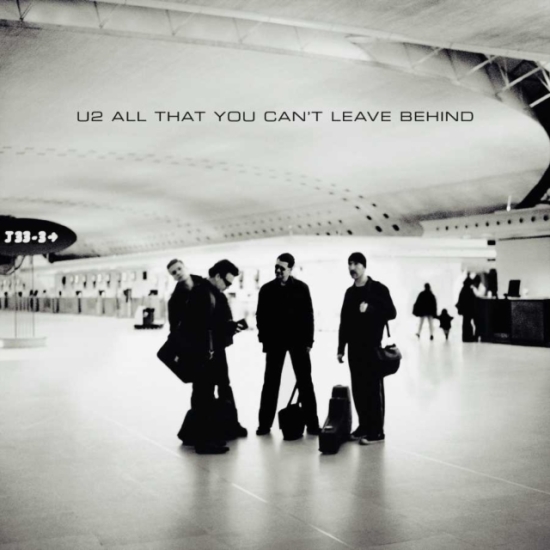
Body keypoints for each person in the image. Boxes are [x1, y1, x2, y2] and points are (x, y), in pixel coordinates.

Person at [179, 259, 246, 454]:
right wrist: (225, 328)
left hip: (215, 350)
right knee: (203, 392)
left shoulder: (215, 293)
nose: (228, 286)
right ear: (217, 276)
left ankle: (228, 426)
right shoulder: (201, 292)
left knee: (222, 386)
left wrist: (230, 327)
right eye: (227, 282)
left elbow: (215, 323)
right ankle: (203, 440)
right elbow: (199, 325)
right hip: (203, 352)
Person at [256, 253, 320, 436]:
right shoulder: (266, 289)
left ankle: (312, 424)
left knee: (305, 381)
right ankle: (264, 424)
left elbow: (309, 315)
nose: (278, 271)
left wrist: (309, 341)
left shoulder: (302, 288)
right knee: (271, 382)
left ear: (291, 269)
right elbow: (261, 316)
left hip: (298, 340)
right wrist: (264, 339)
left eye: (282, 268)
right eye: (276, 267)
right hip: (275, 342)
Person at [337, 252, 396, 445]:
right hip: (354, 349)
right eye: (349, 264)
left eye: (355, 264)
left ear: (364, 266)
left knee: (373, 390)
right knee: (358, 390)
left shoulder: (378, 289)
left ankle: (376, 431)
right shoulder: (349, 292)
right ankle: (364, 425)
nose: (352, 268)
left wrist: (370, 309)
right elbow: (344, 322)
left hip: (372, 347)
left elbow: (391, 312)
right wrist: (341, 347)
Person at [456, 278, 477, 342]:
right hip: (469, 310)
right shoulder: (469, 290)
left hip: (465, 310)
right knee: (468, 323)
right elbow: (472, 300)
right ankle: (469, 337)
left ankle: (466, 337)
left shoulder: (463, 290)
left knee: (466, 323)